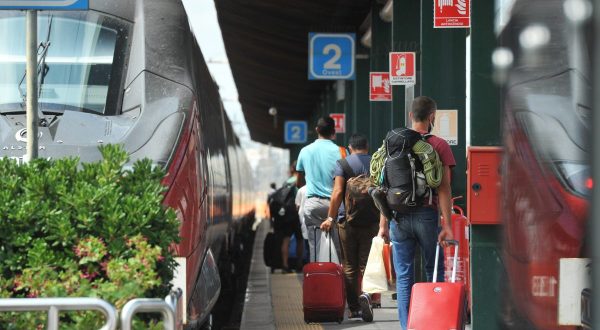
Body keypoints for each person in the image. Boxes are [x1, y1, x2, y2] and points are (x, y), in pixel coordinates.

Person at [378, 96, 455, 329]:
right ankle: (434, 324)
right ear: (432, 117)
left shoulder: (392, 144)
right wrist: (447, 224)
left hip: (398, 217)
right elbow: (444, 188)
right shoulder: (438, 145)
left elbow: (384, 188)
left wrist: (383, 224)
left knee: (403, 277)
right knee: (434, 270)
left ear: (411, 116)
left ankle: (406, 325)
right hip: (426, 215)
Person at [320, 133, 378, 322]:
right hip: (371, 221)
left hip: (348, 222)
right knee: (367, 265)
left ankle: (354, 308)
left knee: (349, 266)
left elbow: (337, 192)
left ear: (350, 147)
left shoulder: (343, 164)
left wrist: (330, 217)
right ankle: (367, 297)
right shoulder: (375, 162)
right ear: (366, 147)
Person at [296, 116, 345, 261]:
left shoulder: (304, 151)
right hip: (335, 205)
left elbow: (299, 182)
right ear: (333, 132)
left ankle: (317, 279)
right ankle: (336, 279)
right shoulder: (341, 152)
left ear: (317, 130)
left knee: (315, 247)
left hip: (313, 205)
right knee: (337, 248)